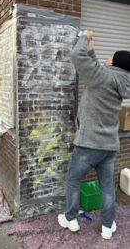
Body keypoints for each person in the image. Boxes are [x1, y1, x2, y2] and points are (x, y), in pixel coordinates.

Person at [58, 30, 130, 239]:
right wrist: (92, 49)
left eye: (110, 56)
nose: (107, 58)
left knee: (73, 181)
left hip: (89, 145)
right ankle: (108, 226)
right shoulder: (121, 81)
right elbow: (95, 68)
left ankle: (70, 218)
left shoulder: (102, 76)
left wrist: (83, 36)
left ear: (113, 62)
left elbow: (76, 56)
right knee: (107, 188)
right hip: (109, 147)